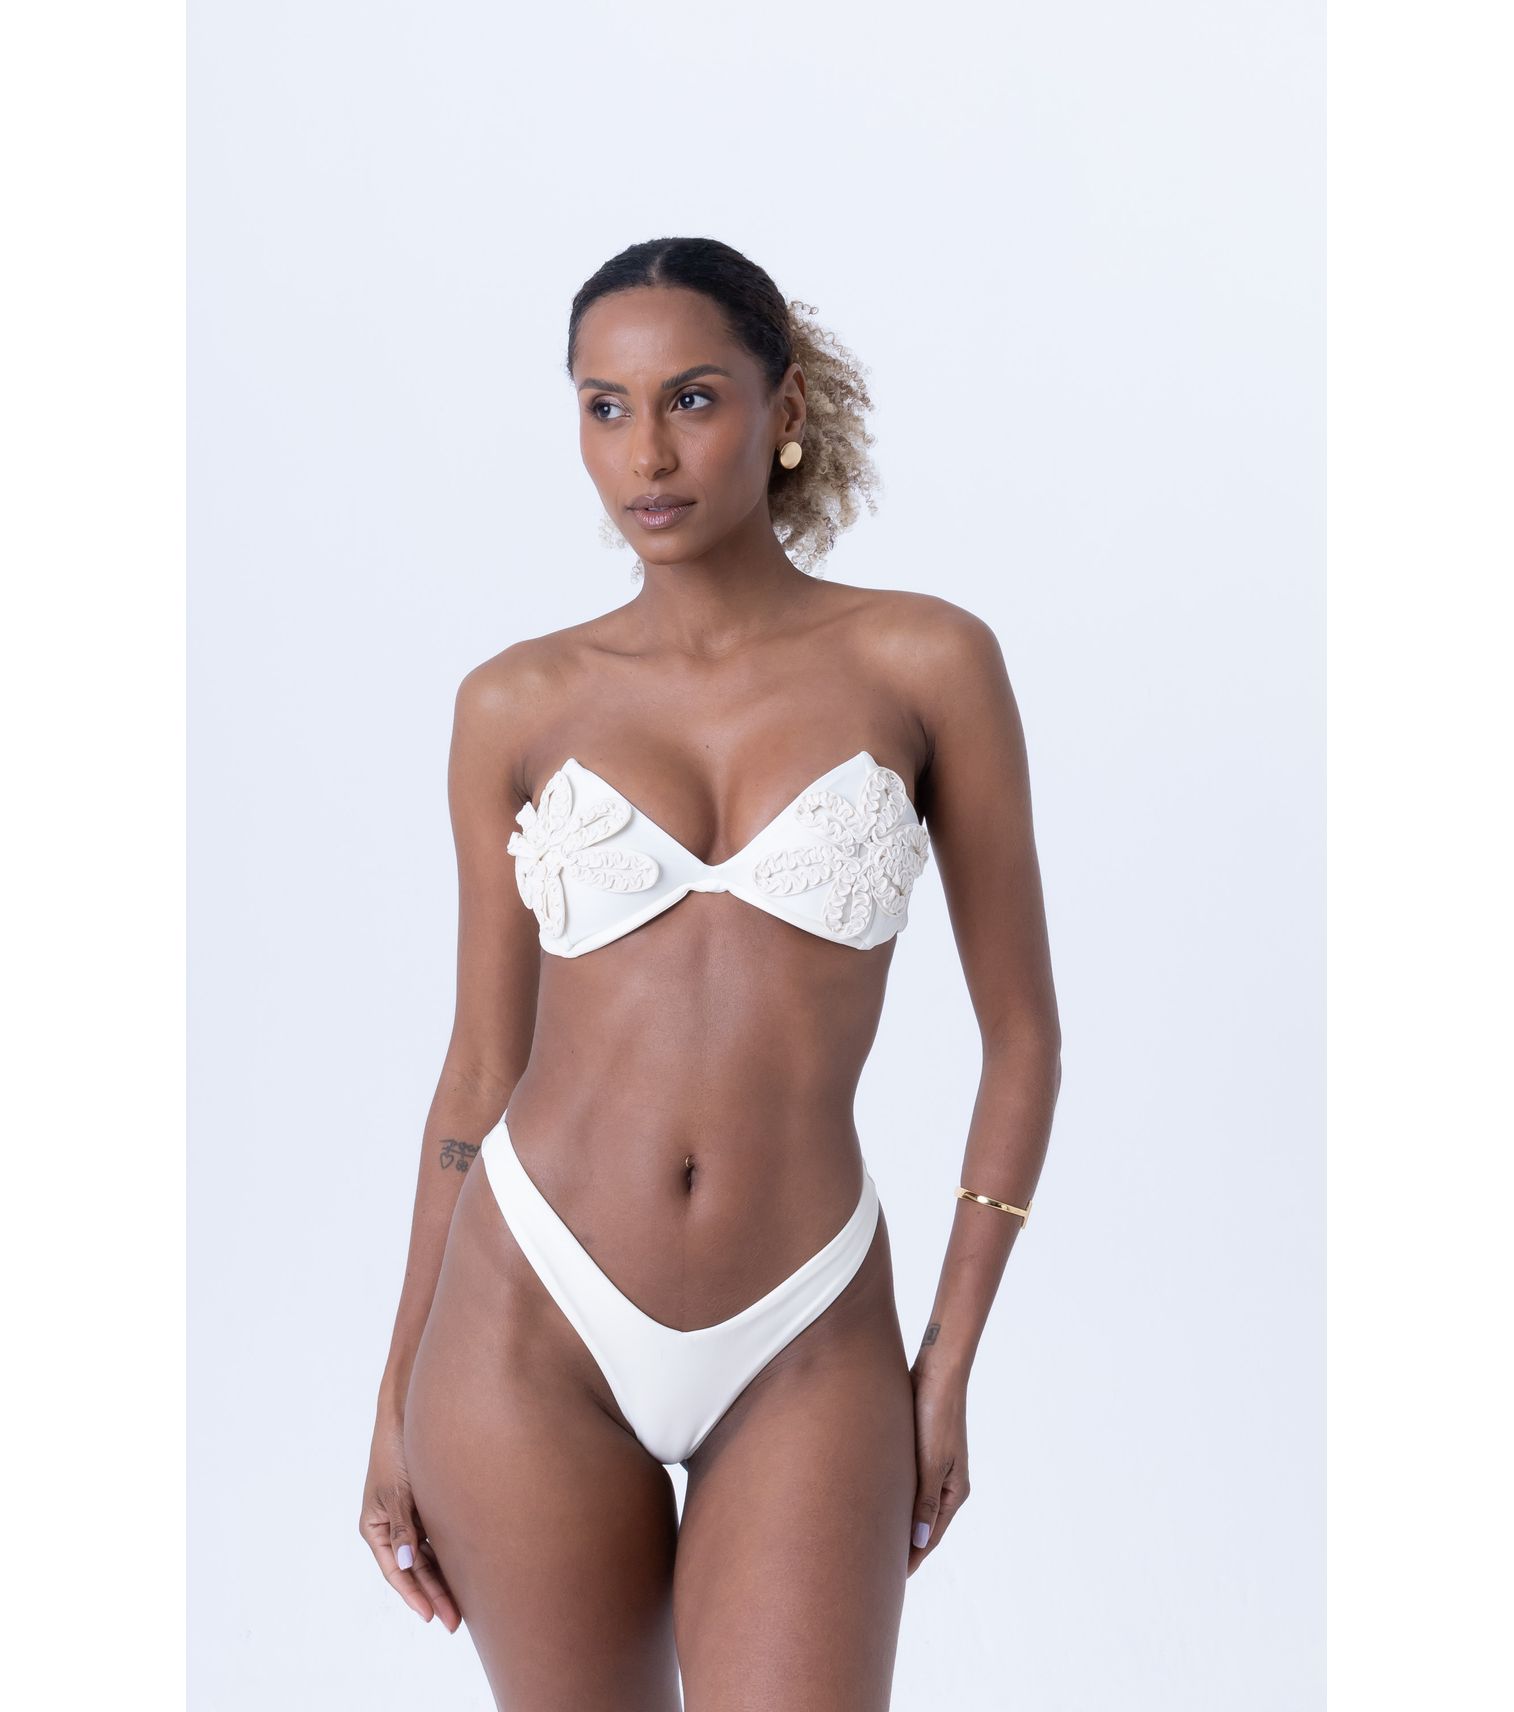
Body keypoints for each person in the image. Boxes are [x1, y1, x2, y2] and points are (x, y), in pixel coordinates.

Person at [359, 235, 1062, 1709]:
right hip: (528, 1319)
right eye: (604, 408)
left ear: (782, 405)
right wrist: (393, 1395)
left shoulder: (926, 662)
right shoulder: (514, 701)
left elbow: (1021, 1037)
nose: (647, 455)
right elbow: (479, 1067)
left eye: (691, 398)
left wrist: (945, 1362)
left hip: (805, 1323)